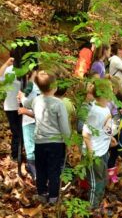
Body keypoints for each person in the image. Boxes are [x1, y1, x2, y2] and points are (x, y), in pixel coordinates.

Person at [31, 71, 72, 204]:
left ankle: (41, 193)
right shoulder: (58, 103)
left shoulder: (36, 100)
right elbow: (64, 126)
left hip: (39, 141)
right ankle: (53, 197)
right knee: (54, 169)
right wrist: (68, 141)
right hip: (55, 143)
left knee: (41, 168)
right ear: (54, 87)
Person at [82, 79, 114, 212]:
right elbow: (85, 133)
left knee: (102, 178)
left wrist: (110, 137)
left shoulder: (104, 107)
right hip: (94, 153)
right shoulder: (94, 111)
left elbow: (105, 126)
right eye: (111, 89)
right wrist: (90, 153)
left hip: (103, 150)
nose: (113, 91)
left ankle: (99, 202)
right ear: (104, 93)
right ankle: (92, 207)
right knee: (95, 181)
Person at [0, 57, 22, 161]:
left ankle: (20, 155)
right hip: (11, 106)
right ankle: (15, 156)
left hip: (25, 107)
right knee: (17, 132)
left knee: (22, 132)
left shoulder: (28, 70)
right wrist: (6, 64)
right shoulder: (10, 70)